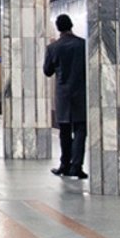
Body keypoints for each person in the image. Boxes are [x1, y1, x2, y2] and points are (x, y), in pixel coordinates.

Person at [43, 13, 88, 179]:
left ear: (58, 28)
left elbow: (47, 71)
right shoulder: (83, 45)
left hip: (63, 95)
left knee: (64, 131)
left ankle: (64, 165)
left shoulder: (53, 48)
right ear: (71, 25)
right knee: (81, 130)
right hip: (81, 93)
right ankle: (77, 166)